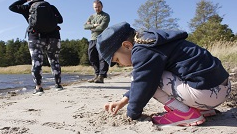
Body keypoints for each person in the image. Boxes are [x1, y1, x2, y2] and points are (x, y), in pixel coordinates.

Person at [96, 22, 231, 126]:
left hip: (206, 93)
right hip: (221, 88)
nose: (120, 64)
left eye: (117, 60)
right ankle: (200, 109)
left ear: (126, 46)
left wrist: (132, 113)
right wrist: (123, 101)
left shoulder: (142, 51)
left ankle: (186, 113)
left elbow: (143, 84)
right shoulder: (152, 41)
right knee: (149, 74)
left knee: (146, 78)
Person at [9, 0, 64, 94]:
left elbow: (11, 7)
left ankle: (39, 88)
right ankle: (58, 85)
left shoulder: (28, 7)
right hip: (54, 37)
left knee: (37, 62)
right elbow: (61, 20)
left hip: (35, 37)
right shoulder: (51, 7)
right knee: (54, 60)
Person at [84, 0, 110, 83]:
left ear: (102, 6)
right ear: (93, 7)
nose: (97, 8)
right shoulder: (91, 16)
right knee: (92, 57)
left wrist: (91, 27)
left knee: (102, 57)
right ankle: (96, 74)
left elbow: (102, 27)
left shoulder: (105, 16)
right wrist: (94, 25)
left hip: (102, 38)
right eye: (95, 7)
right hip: (92, 39)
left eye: (99, 7)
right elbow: (84, 26)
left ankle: (101, 76)